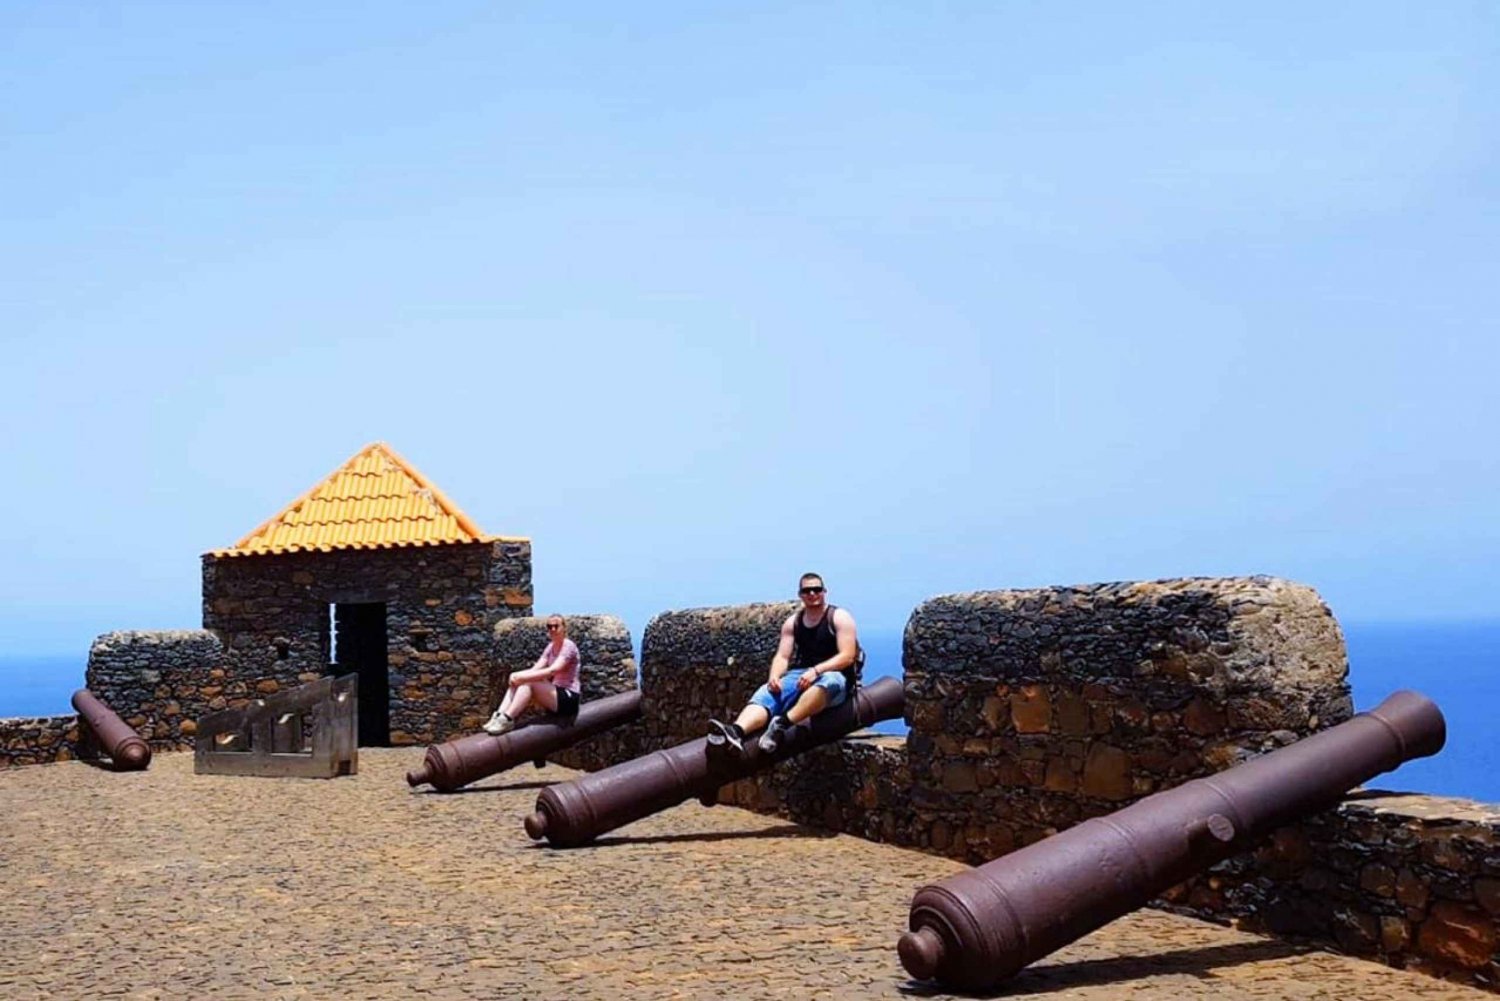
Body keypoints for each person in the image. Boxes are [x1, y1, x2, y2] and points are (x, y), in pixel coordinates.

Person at [706, 572, 858, 757]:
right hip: (801, 675)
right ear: (800, 595)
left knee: (829, 682)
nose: (812, 594)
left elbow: (848, 656)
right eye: (807, 590)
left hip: (835, 676)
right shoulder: (793, 623)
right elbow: (782, 657)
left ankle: (782, 724)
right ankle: (736, 731)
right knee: (768, 693)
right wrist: (774, 678)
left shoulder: (839, 617)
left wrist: (816, 670)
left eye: (816, 589)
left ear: (824, 592)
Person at [484, 614, 581, 735]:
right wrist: (516, 676)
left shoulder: (568, 646)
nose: (553, 629)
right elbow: (535, 669)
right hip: (555, 695)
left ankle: (508, 719)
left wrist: (521, 677)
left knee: (529, 682)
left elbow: (553, 670)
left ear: (564, 628)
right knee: (520, 681)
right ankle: (499, 715)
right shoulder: (550, 647)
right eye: (549, 626)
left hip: (569, 698)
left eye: (556, 626)